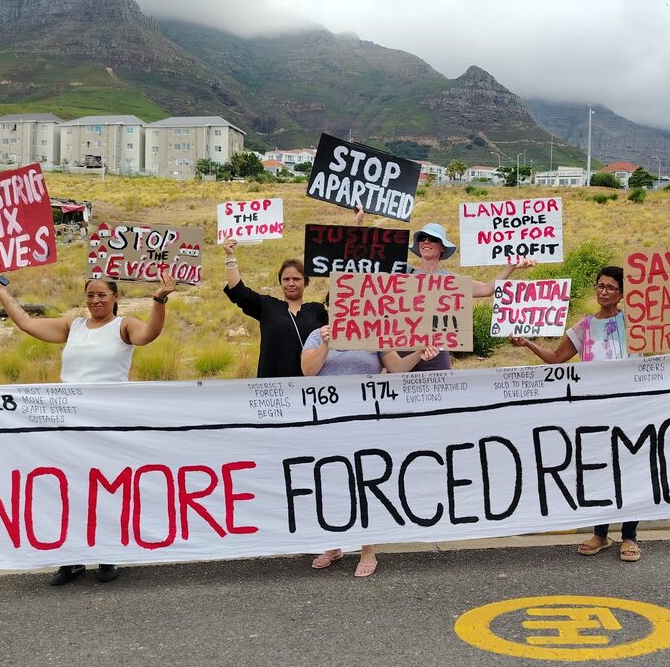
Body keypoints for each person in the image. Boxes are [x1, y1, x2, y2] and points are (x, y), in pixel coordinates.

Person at [0, 265, 176, 585]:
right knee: (68, 488)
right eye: (90, 295)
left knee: (106, 487)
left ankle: (108, 555)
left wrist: (159, 300)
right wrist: (0, 289)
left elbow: (149, 334)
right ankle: (70, 558)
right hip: (69, 423)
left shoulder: (123, 325)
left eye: (102, 295)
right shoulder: (72, 325)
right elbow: (28, 323)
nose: (96, 300)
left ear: (116, 296)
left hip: (107, 421)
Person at [510, 265, 642, 560]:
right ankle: (600, 533)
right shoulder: (584, 327)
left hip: (630, 406)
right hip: (595, 408)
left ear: (622, 293)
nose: (603, 291)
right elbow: (557, 358)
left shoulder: (635, 321)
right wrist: (528, 343)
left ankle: (630, 536)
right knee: (601, 469)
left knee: (629, 469)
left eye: (610, 287)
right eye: (599, 286)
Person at [300, 324, 439, 578]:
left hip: (365, 421)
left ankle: (367, 548)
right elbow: (308, 371)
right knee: (332, 480)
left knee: (364, 482)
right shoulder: (318, 335)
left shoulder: (374, 333)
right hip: (327, 422)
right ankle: (333, 546)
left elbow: (396, 368)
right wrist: (326, 345)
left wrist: (419, 352)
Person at [406, 222, 533, 371]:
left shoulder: (451, 281)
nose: (426, 241)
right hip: (403, 351)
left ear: (443, 247)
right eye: (422, 238)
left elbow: (487, 289)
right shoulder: (403, 274)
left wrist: (511, 267)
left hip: (436, 353)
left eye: (433, 239)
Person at [223, 239, 327, 378]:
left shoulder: (318, 310)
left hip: (308, 390)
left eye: (296, 279)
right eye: (286, 279)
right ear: (280, 282)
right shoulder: (267, 306)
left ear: (305, 282)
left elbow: (349, 308)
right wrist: (230, 257)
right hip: (272, 390)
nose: (291, 283)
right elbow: (238, 291)